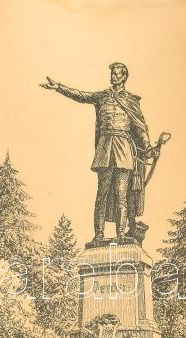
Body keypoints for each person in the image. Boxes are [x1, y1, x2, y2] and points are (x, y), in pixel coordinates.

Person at [40, 63, 159, 243]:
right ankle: (99, 235)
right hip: (105, 148)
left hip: (124, 149)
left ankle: (121, 234)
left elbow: (141, 128)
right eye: (112, 74)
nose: (113, 77)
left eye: (117, 74)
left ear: (124, 77)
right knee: (101, 194)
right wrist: (58, 87)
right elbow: (81, 96)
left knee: (121, 195)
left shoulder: (131, 100)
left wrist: (148, 147)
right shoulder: (102, 96)